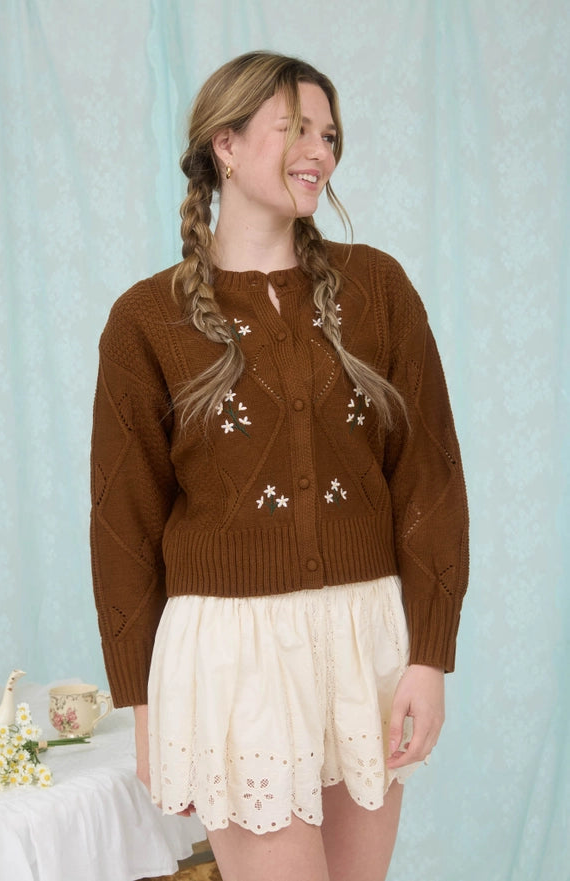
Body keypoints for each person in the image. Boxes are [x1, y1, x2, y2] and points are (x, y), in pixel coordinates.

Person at [90, 50, 468, 881]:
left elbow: (429, 478)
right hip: (231, 654)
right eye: (296, 130)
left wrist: (428, 654)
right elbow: (124, 526)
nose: (320, 152)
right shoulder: (145, 319)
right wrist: (147, 708)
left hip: (365, 639)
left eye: (330, 135)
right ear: (224, 145)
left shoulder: (378, 289)